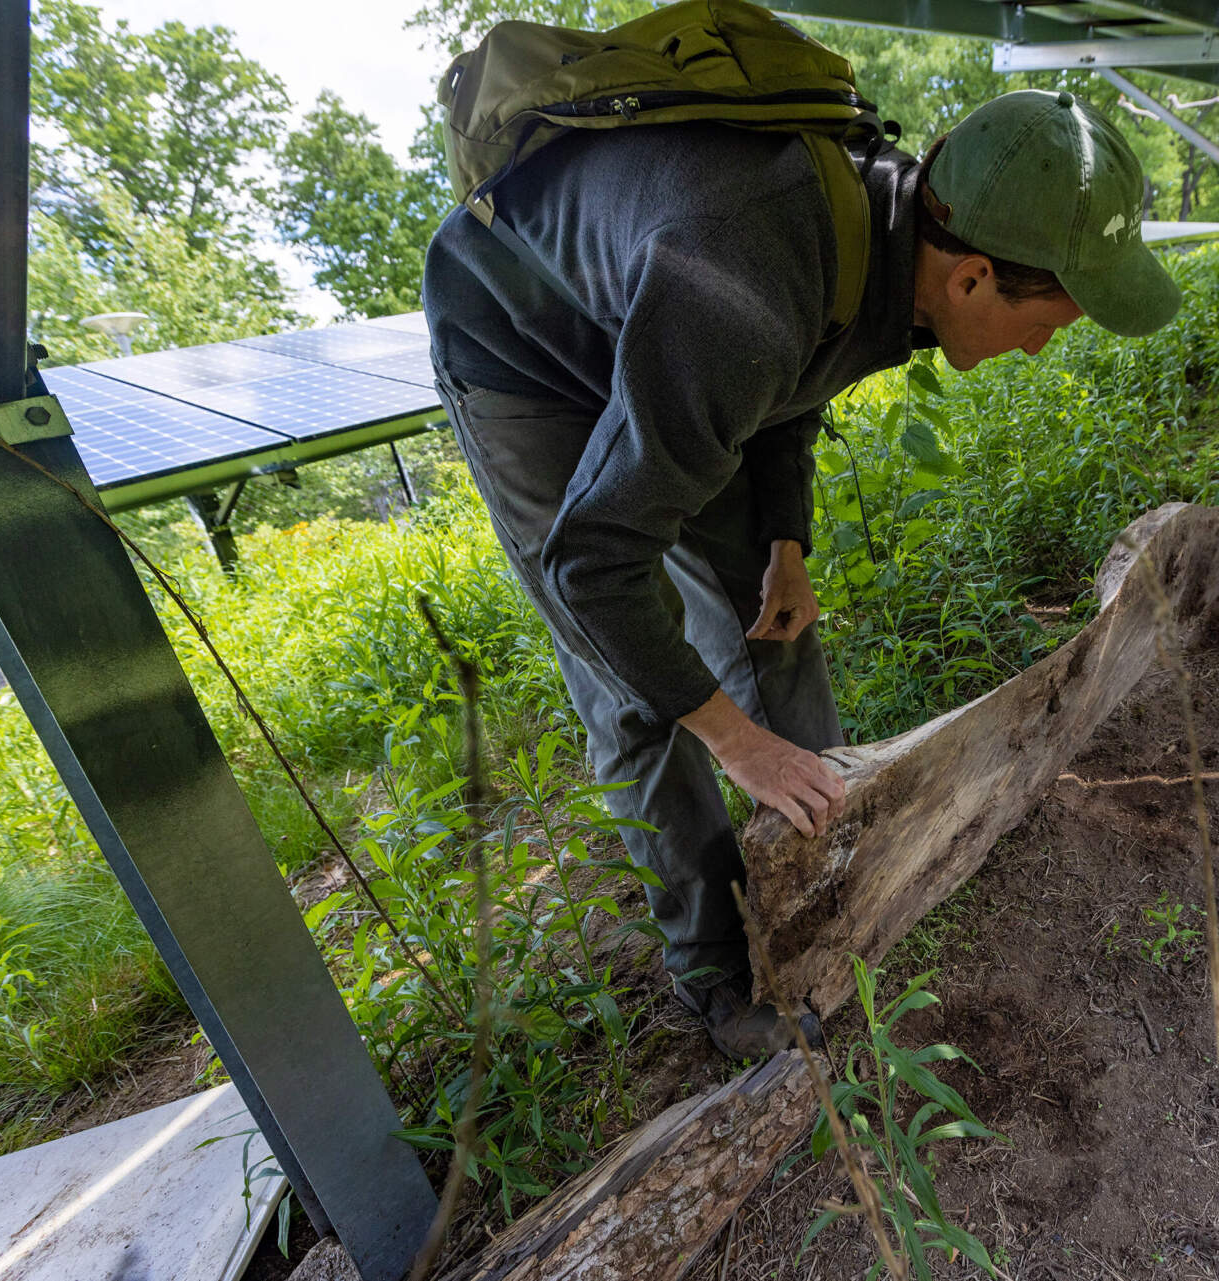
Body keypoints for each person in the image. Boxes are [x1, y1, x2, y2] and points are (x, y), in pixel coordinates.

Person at [423, 87, 1180, 1058]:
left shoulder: (886, 251)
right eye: (1053, 324)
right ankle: (725, 981)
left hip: (679, 320)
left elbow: (785, 381)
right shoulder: (746, 274)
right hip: (522, 342)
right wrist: (735, 741)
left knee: (768, 619)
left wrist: (785, 537)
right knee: (637, 699)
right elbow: (593, 565)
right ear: (977, 280)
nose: (1041, 348)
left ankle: (835, 869)